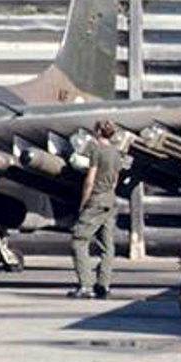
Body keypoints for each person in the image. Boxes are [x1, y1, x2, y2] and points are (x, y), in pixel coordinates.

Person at [69, 119, 123, 299]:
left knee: (79, 240)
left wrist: (84, 203)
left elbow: (90, 180)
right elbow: (115, 180)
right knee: (107, 245)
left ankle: (85, 285)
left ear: (99, 131)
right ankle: (104, 285)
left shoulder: (96, 150)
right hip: (110, 200)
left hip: (96, 199)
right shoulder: (116, 153)